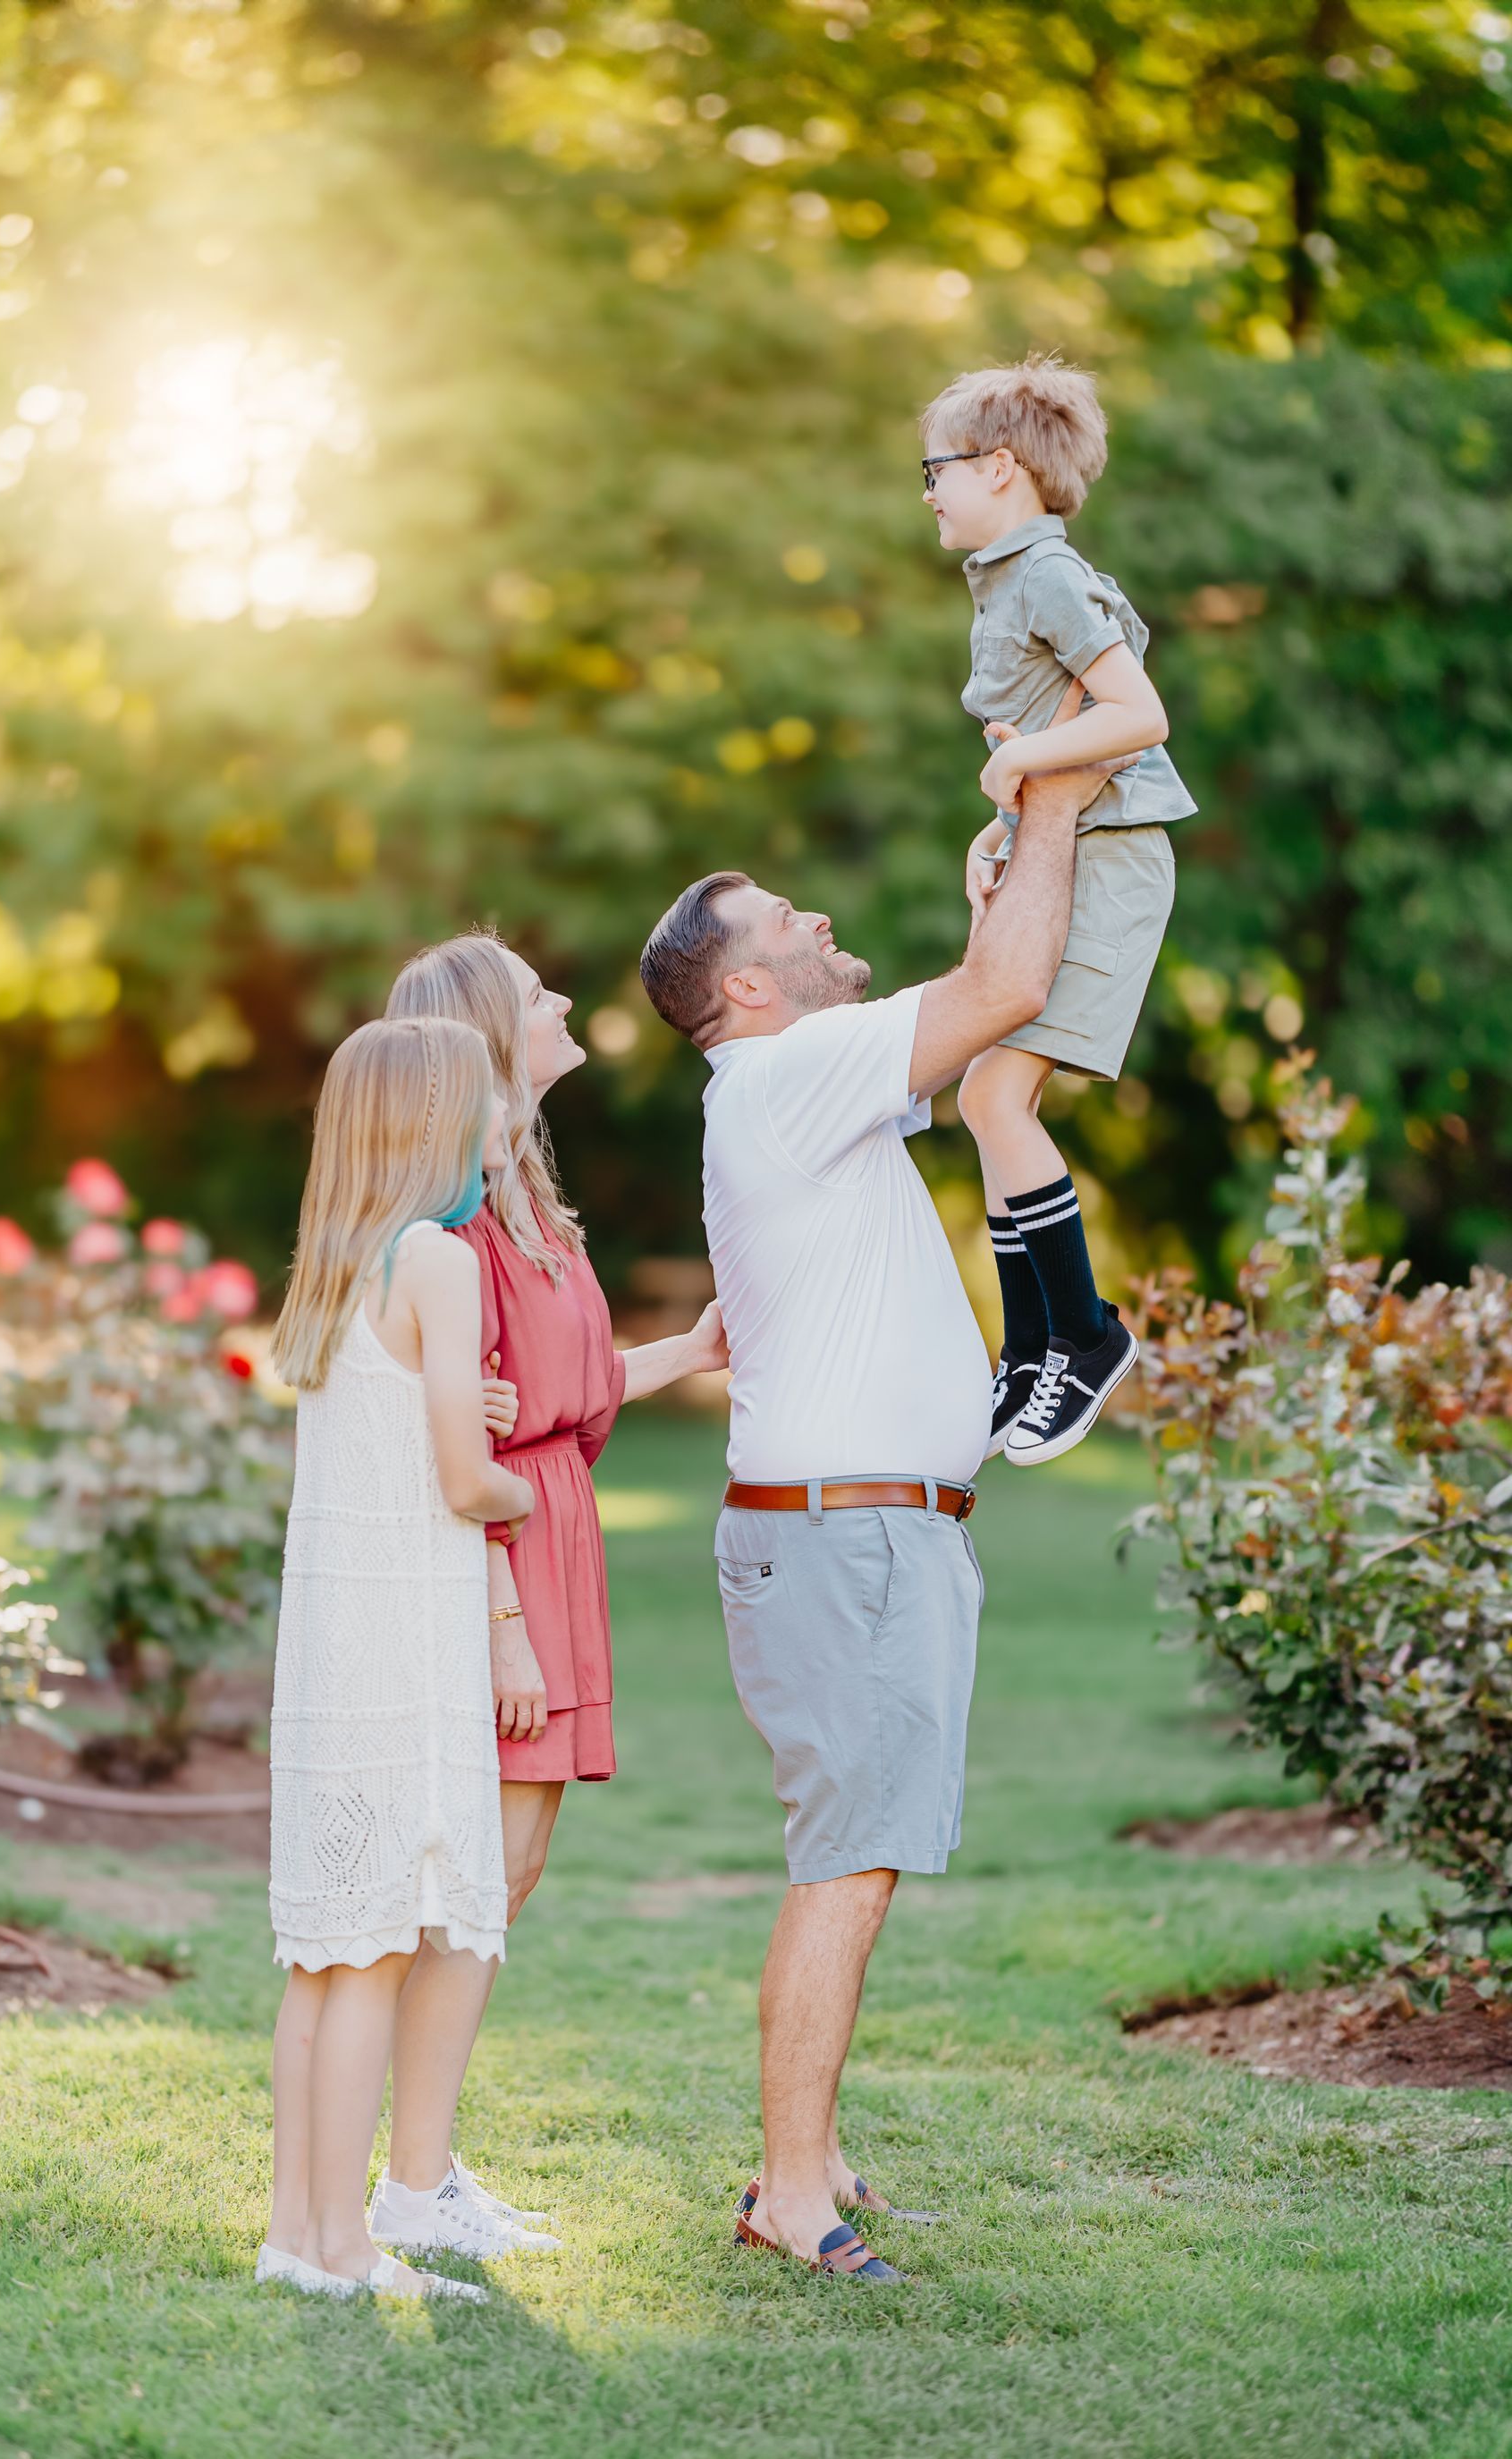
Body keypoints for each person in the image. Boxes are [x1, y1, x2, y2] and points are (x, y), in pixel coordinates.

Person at [638, 748, 1119, 2284]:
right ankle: (791, 2192)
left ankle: (813, 2155)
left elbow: (992, 1009)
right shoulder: (786, 1075)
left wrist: (996, 913)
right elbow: (1009, 988)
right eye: (786, 918)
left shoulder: (798, 1085)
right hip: (845, 1539)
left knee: (860, 1851)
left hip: (867, 1533)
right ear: (752, 991)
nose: (820, 918)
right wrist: (1053, 785)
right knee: (845, 1861)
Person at [369, 930, 728, 2259]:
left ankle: (425, 2167)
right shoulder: (455, 1214)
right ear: (483, 1032)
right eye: (536, 994)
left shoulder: (526, 1190)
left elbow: (563, 1395)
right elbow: (449, 1434)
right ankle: (407, 2186)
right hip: (499, 1562)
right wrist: (505, 1623)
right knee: (473, 1875)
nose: (565, 999)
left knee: (508, 1872)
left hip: (554, 1540)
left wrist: (684, 1350)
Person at [258, 1014, 534, 2303]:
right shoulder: (438, 1257)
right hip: (404, 1654)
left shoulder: (335, 1264)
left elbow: (401, 1420)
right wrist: (523, 1487)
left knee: (324, 1958)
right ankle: (348, 2249)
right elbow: (469, 1480)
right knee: (371, 1951)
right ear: (437, 1124)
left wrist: (461, 1423)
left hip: (331, 1654)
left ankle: (297, 2235)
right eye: (484, 1105)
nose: (498, 1126)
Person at [921, 353, 1196, 1465]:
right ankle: (1032, 1354)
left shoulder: (1045, 575)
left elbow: (1140, 713)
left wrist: (1022, 763)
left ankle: (1081, 1338)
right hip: (1052, 850)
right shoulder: (1003, 579)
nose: (927, 490)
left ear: (999, 467)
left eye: (934, 468)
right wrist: (997, 831)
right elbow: (1038, 746)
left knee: (996, 1098)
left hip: (1110, 860)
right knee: (987, 1096)